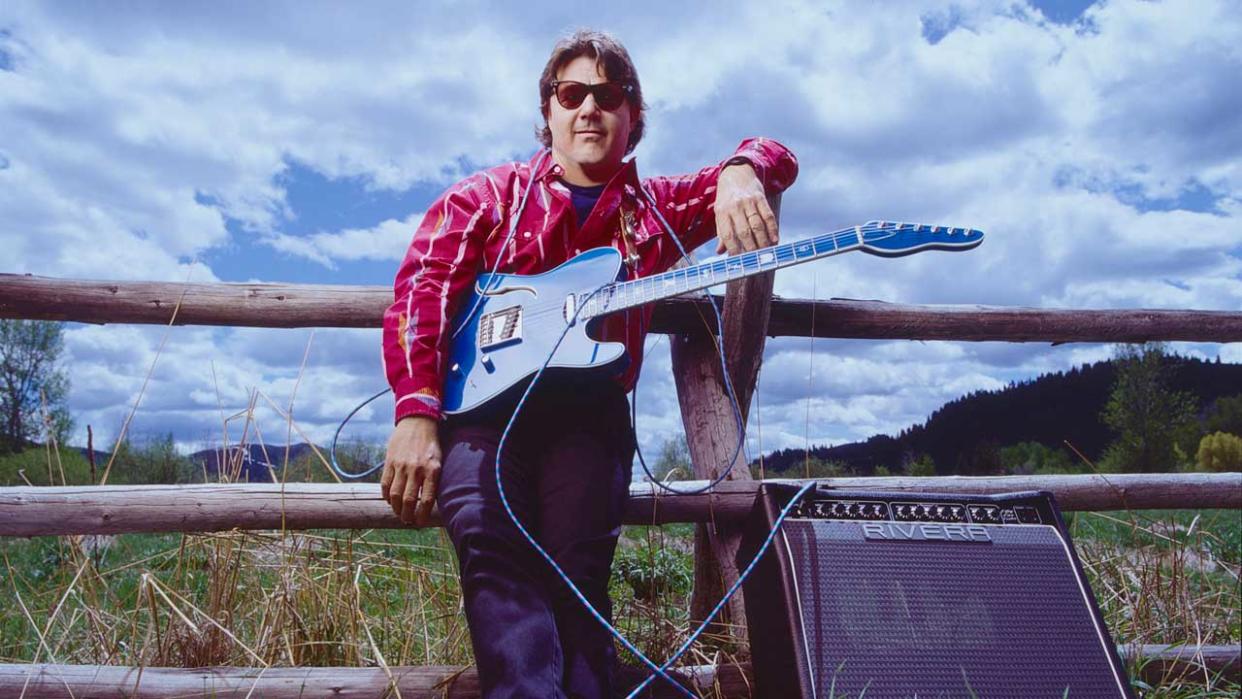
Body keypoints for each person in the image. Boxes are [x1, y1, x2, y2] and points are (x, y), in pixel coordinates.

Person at [379, 29, 797, 699]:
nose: (589, 108)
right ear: (548, 111)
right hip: (484, 414)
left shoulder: (653, 209)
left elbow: (776, 152)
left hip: (589, 417)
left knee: (576, 568)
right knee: (490, 549)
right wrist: (418, 411)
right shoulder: (490, 198)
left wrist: (743, 169)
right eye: (571, 93)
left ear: (633, 118)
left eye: (610, 95)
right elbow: (423, 286)